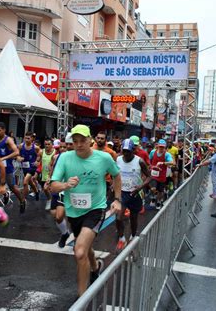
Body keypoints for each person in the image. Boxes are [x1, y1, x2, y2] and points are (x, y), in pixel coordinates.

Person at [50, 124, 122, 297]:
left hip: (95, 209)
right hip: (73, 211)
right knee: (85, 246)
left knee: (80, 251)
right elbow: (52, 186)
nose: (79, 144)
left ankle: (82, 299)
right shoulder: (65, 158)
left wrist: (117, 199)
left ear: (91, 140)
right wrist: (66, 185)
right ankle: (95, 267)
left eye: (83, 140)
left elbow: (116, 175)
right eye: (75, 141)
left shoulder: (104, 158)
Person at [115, 139, 151, 252]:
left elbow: (149, 177)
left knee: (133, 218)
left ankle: (133, 236)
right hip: (123, 193)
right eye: (124, 151)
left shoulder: (139, 161)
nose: (125, 154)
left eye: (128, 151)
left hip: (135, 193)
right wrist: (114, 186)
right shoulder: (118, 159)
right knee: (118, 217)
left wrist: (140, 187)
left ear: (133, 151)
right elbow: (115, 174)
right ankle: (121, 239)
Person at [0, 122, 25, 212]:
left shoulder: (8, 140)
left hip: (7, 167)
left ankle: (22, 200)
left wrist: (4, 157)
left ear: (4, 130)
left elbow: (16, 152)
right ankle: (4, 195)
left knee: (12, 187)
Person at [45, 139, 71, 248]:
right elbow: (52, 168)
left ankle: (70, 235)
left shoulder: (76, 158)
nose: (63, 149)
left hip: (71, 190)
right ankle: (65, 233)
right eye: (61, 147)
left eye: (65, 147)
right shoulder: (56, 157)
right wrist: (49, 180)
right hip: (59, 187)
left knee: (63, 216)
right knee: (55, 215)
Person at [148, 139, 174, 209]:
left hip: (162, 175)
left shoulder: (167, 154)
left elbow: (172, 162)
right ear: (158, 146)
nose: (161, 148)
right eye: (160, 147)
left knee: (160, 191)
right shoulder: (153, 152)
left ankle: (159, 202)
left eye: (163, 147)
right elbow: (149, 160)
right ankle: (153, 197)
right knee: (153, 188)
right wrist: (150, 167)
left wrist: (163, 163)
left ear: (165, 147)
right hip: (153, 174)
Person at [18, 132, 41, 202]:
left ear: (32, 139)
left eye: (28, 138)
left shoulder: (35, 147)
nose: (27, 140)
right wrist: (18, 157)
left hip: (32, 167)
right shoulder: (21, 146)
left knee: (25, 182)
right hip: (24, 166)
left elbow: (41, 153)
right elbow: (16, 153)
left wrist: (38, 161)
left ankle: (23, 200)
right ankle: (36, 192)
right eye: (25, 138)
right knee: (30, 182)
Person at [40, 138, 56, 210]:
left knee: (47, 188)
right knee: (46, 189)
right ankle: (50, 200)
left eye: (48, 144)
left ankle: (50, 201)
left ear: (52, 145)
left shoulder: (55, 152)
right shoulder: (41, 152)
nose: (47, 145)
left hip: (53, 173)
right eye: (45, 144)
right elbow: (38, 161)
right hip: (44, 174)